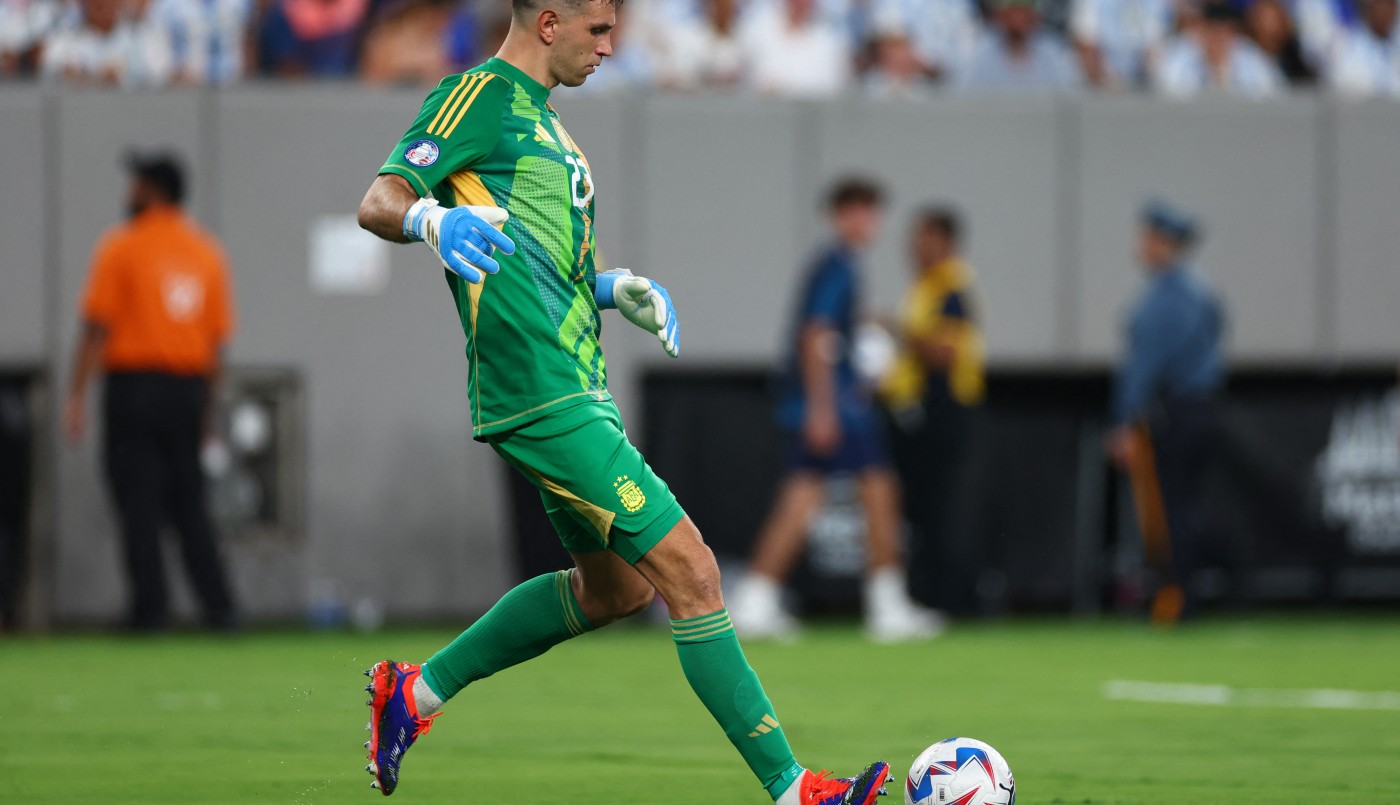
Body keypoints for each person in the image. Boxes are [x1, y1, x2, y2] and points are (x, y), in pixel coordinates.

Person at [352, 0, 892, 801]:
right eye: (599, 30)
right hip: (542, 392)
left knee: (617, 590)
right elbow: (380, 199)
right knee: (693, 571)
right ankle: (795, 787)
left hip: (577, 382)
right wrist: (429, 220)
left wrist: (609, 289)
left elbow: (540, 267)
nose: (611, 47)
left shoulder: (547, 122)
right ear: (548, 23)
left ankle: (414, 693)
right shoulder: (481, 96)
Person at [728, 179, 940, 644]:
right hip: (836, 408)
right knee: (879, 489)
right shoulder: (838, 264)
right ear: (838, 217)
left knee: (803, 496)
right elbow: (815, 336)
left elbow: (829, 334)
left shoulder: (838, 265)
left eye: (870, 211)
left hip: (827, 402)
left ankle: (755, 598)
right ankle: (887, 607)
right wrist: (823, 409)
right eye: (855, 211)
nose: (865, 221)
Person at [64, 152, 238, 632]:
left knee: (137, 503)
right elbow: (216, 346)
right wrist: (207, 417)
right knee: (190, 504)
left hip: (134, 389)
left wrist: (76, 395)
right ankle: (221, 610)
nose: (129, 194)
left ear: (153, 191)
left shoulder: (120, 246)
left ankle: (150, 612)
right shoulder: (207, 252)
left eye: (136, 185)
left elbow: (95, 327)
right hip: (188, 391)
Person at [1107, 199, 1225, 624]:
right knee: (1189, 504)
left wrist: (1123, 421)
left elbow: (1143, 367)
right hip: (1205, 406)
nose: (1141, 246)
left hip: (1175, 410)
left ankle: (1174, 595)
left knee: (1168, 508)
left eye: (1148, 238)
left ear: (1163, 242)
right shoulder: (1202, 291)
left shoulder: (1161, 299)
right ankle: (1190, 591)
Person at [879, 207, 984, 616]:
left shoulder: (951, 287)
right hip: (918, 410)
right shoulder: (924, 286)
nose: (916, 247)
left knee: (943, 507)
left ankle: (950, 599)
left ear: (947, 242)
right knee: (919, 510)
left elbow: (944, 353)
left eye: (926, 238)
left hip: (946, 410)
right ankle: (923, 597)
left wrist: (897, 330)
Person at [1153, 0, 1284, 98]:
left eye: (1226, 31)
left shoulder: (1249, 55)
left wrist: (1223, 73)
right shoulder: (1184, 52)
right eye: (1214, 30)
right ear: (1202, 31)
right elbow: (1167, 89)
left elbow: (1271, 92)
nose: (1219, 38)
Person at [956, 0, 1084, 93]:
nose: (1017, 19)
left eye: (1023, 12)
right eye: (1011, 12)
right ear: (999, 16)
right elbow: (963, 99)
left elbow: (1073, 95)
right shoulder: (980, 56)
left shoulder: (1053, 54)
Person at [1068, 0, 1174, 89]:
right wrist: (1108, 81)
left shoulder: (1156, 3)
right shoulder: (1092, 2)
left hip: (1142, 86)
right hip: (1100, 88)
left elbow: (1155, 49)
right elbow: (1086, 48)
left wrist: (1138, 81)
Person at [1326, 0, 1400, 98]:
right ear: (1368, 11)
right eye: (1380, 6)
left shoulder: (1395, 45)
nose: (1385, 13)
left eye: (1390, 5)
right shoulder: (1349, 49)